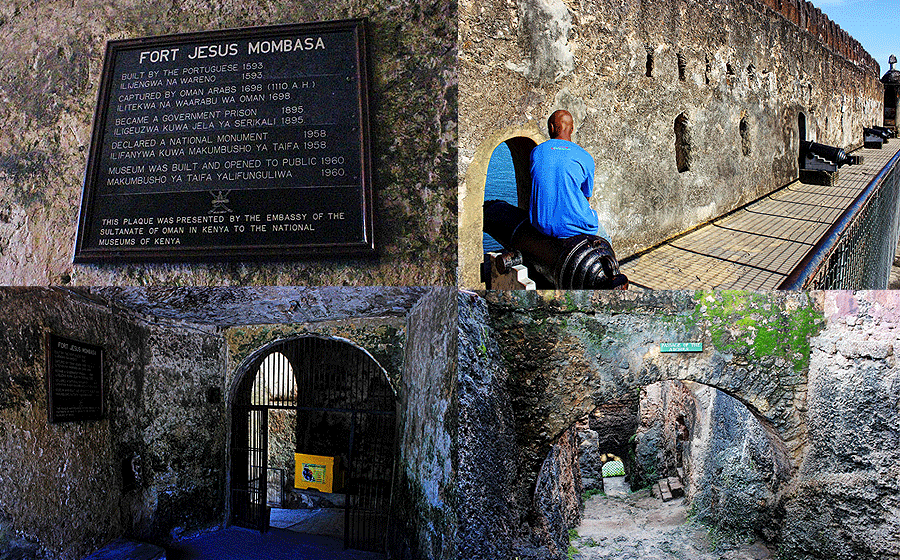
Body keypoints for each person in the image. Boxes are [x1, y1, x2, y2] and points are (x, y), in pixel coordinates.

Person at [529, 110, 610, 241]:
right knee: (605, 239)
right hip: (575, 227)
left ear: (551, 127)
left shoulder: (536, 152)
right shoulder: (585, 157)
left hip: (541, 224)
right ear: (572, 129)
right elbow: (586, 197)